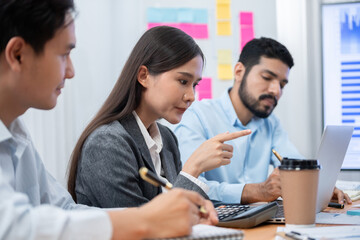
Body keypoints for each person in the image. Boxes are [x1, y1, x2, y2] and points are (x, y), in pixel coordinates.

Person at [0, 1, 219, 239]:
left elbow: (63, 209)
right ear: (17, 54)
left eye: (194, 84)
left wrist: (157, 216)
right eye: (64, 55)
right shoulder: (107, 142)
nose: (71, 71)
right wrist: (148, 218)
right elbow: (12, 226)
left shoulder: (16, 133)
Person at [67, 25, 251, 208]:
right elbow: (142, 227)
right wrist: (193, 168)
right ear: (144, 76)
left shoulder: (167, 139)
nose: (191, 96)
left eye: (194, 85)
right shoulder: (107, 143)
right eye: (183, 81)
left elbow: (185, 212)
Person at [173, 37, 351, 205]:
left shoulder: (270, 123)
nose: (276, 91)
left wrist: (317, 187)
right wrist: (257, 191)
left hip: (258, 220)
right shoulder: (196, 117)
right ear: (239, 72)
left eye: (282, 84)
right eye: (267, 78)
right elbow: (188, 185)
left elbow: (294, 161)